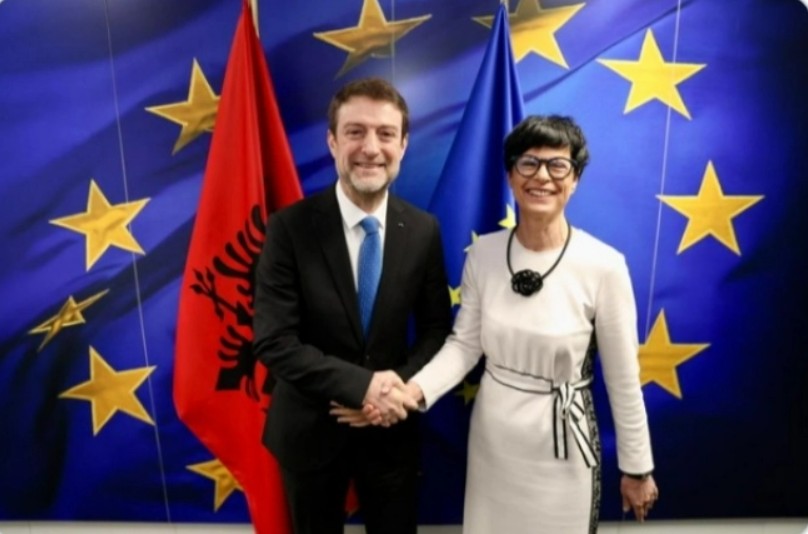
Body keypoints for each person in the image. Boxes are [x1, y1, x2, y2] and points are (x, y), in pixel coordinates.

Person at [340, 115, 659, 533]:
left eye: (557, 165)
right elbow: (463, 346)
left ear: (575, 179)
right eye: (528, 163)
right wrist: (410, 392)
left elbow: (623, 379)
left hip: (564, 446)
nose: (541, 176)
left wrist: (637, 467)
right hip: (494, 442)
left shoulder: (605, 266)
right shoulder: (484, 254)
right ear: (510, 175)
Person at [252, 77, 452, 534]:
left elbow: (436, 330)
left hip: (391, 432)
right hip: (309, 431)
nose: (371, 148)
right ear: (332, 142)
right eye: (355, 132)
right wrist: (362, 388)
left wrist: (390, 396)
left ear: (403, 145)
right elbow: (274, 341)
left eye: (385, 134)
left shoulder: (423, 230)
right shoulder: (289, 229)